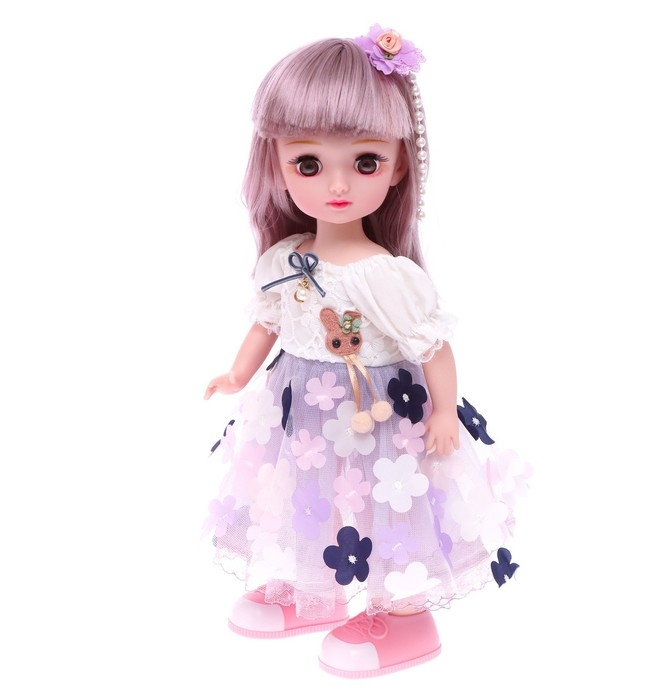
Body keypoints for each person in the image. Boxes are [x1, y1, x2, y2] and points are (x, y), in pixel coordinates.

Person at [203, 25, 531, 679]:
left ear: (399, 165)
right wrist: (238, 372)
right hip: (301, 411)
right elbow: (268, 321)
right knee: (310, 497)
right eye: (308, 163)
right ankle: (317, 589)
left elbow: (432, 345)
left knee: (386, 505)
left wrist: (444, 412)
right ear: (276, 164)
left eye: (365, 162)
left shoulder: (385, 274)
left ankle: (405, 614)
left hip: (377, 416)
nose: (337, 184)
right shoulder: (286, 258)